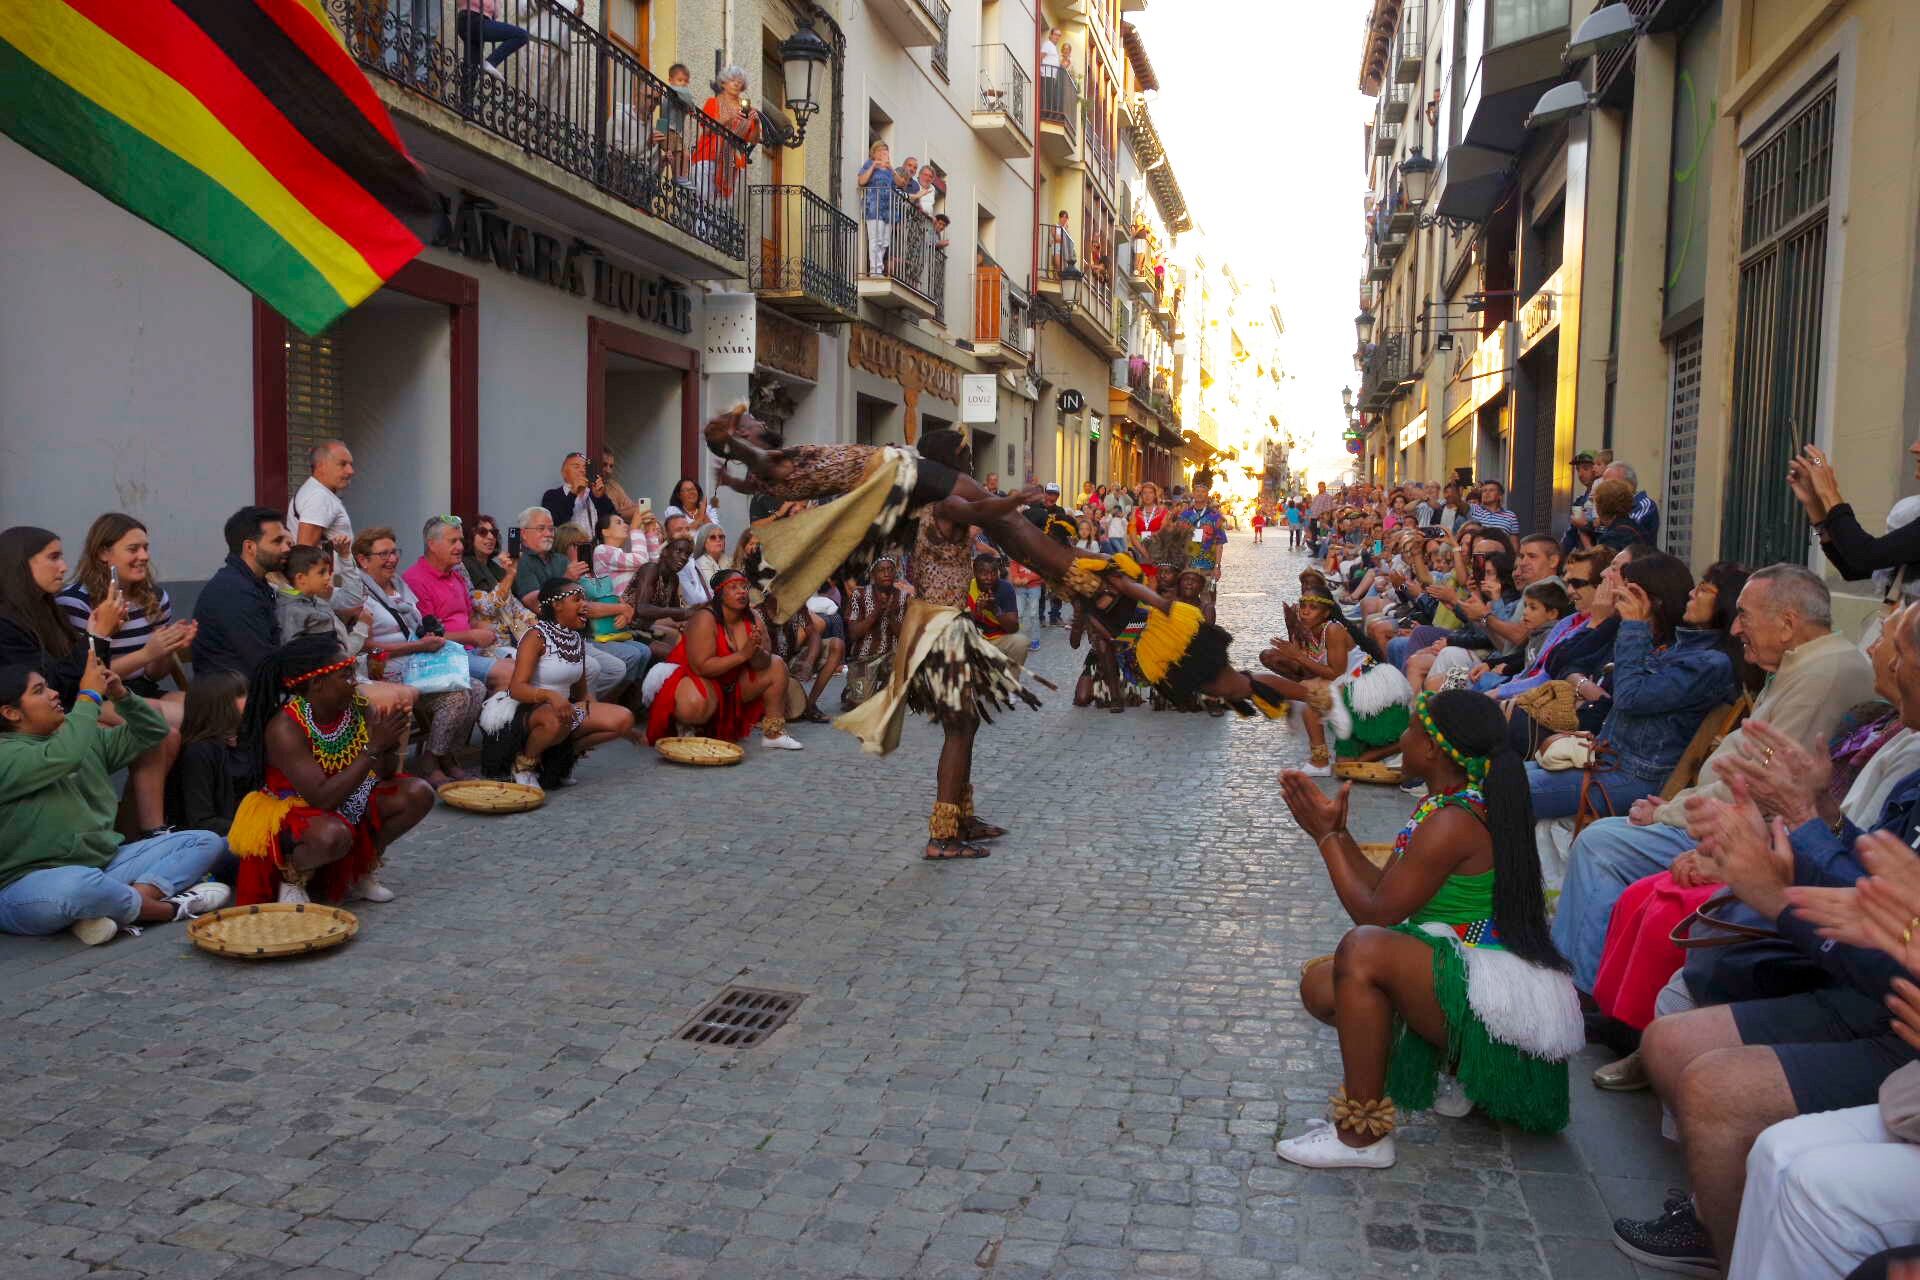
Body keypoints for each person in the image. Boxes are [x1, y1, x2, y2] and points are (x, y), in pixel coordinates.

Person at [1274, 690, 1581, 1168]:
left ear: (1434, 748)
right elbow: (1387, 895)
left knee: (1363, 951)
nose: (1402, 736)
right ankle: (1457, 1070)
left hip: (1497, 1002)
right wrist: (1337, 833)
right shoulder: (1445, 806)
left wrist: (1327, 837)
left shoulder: (1454, 819)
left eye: (1412, 729)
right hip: (1473, 972)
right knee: (1322, 985)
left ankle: (1361, 1136)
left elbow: (1375, 918)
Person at [1550, 565, 1878, 996]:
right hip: (1690, 797)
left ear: (1787, 623)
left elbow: (1761, 782)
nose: (1737, 627)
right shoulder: (1802, 665)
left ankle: (1578, 989)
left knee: (1601, 842)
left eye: (1745, 615)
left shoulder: (1822, 672)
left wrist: (1667, 811)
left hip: (1735, 824)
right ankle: (1581, 979)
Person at [0, 652, 229, 944]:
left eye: (48, 685)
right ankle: (167, 909)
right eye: (39, 691)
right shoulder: (5, 754)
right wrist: (88, 697)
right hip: (28, 887)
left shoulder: (79, 735)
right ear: (11, 713)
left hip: (103, 866)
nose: (54, 693)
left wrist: (122, 695)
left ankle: (119, 907)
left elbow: (153, 732)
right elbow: (64, 757)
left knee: (204, 841)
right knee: (78, 887)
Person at [1523, 553, 1736, 821]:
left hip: (1633, 778)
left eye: (1704, 589)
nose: (1693, 593)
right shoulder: (1679, 647)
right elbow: (1562, 661)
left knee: (1510, 791)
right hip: (1607, 762)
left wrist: (1635, 626)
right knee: (1504, 776)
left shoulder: (1710, 664)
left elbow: (1629, 698)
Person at [226, 636, 433, 906]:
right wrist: (372, 748)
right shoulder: (285, 728)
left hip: (343, 794)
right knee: (332, 834)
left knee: (418, 793)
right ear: (317, 684)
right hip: (291, 808)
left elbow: (384, 774)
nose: (355, 680)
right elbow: (321, 799)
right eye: (346, 674)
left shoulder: (358, 707)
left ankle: (359, 868)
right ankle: (293, 877)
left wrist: (388, 743)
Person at [0, 525, 180, 836]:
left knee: (164, 734)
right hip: (32, 727)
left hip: (73, 705)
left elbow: (86, 671)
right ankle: (124, 835)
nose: (64, 566)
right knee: (155, 728)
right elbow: (48, 683)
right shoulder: (7, 622)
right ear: (22, 564)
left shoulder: (45, 608)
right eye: (53, 557)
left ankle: (144, 831)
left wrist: (101, 636)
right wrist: (98, 635)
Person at [350, 528, 480, 788]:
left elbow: (414, 625)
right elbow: (363, 645)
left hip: (417, 663)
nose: (392, 559)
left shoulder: (398, 584)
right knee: (456, 697)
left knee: (477, 688)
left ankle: (444, 755)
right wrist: (417, 646)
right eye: (383, 554)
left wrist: (428, 633)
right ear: (364, 560)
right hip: (384, 670)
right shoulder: (358, 593)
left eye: (394, 552)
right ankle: (430, 761)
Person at [479, 580, 635, 790]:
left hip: (563, 709)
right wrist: (550, 696)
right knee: (557, 718)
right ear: (557, 605)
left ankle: (564, 752)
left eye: (585, 599)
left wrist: (597, 716)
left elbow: (581, 693)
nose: (585, 605)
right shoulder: (535, 636)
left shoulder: (575, 639)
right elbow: (517, 689)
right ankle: (525, 764)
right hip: (528, 709)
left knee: (623, 719)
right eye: (577, 599)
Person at [55, 513, 196, 720]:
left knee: (210, 711)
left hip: (140, 689)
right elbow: (82, 676)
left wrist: (169, 646)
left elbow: (152, 675)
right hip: (96, 697)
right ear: (104, 553)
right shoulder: (75, 602)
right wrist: (146, 654)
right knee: (177, 719)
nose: (144, 556)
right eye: (133, 549)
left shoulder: (156, 597)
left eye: (145, 548)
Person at [644, 569, 801, 751]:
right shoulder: (704, 618)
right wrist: (742, 655)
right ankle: (688, 725)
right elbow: (702, 668)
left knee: (776, 664)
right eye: (733, 587)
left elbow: (764, 664)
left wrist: (755, 651)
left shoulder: (753, 618)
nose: (742, 591)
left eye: (744, 586)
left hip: (733, 684)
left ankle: (774, 734)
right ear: (719, 594)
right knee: (694, 703)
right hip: (699, 681)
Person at [514, 506, 640, 700]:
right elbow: (538, 605)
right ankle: (582, 711)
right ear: (524, 533)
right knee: (605, 666)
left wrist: (621, 607)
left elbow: (585, 599)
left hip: (576, 632)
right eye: (541, 528)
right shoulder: (524, 563)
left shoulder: (559, 559)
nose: (548, 533)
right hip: (549, 637)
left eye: (550, 528)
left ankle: (588, 710)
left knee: (618, 667)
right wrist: (568, 578)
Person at [403, 516, 511, 691]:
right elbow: (425, 638)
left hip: (470, 650)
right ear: (431, 544)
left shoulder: (456, 575)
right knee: (509, 673)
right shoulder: (416, 580)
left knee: (524, 666)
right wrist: (472, 636)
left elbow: (468, 619)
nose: (460, 547)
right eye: (452, 541)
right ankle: (494, 718)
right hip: (442, 657)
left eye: (460, 540)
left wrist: (483, 627)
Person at [193, 506, 291, 679]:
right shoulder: (233, 592)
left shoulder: (255, 584)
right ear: (250, 547)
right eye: (277, 541)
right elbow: (264, 664)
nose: (286, 548)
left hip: (257, 689)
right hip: (233, 700)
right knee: (320, 704)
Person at [165, 669, 255, 840]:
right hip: (217, 838)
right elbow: (200, 820)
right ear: (220, 704)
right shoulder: (198, 752)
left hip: (251, 825)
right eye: (242, 694)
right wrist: (257, 828)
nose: (252, 698)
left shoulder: (248, 739)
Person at [689, 65, 760, 205]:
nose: (736, 83)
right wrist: (729, 117)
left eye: (740, 81)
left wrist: (756, 123)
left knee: (721, 209)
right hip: (707, 158)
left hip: (731, 164)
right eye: (732, 79)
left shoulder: (748, 110)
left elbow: (753, 140)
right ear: (723, 83)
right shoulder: (713, 103)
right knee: (702, 203)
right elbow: (708, 129)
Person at [289, 440, 357, 570]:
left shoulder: (316, 492)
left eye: (350, 464)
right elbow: (304, 554)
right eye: (342, 464)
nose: (351, 471)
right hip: (330, 586)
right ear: (321, 466)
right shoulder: (319, 496)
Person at [964, 554, 1028, 669]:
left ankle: (1009, 683)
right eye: (983, 573)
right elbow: (963, 624)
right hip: (974, 639)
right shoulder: (966, 587)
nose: (989, 577)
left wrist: (994, 609)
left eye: (993, 573)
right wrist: (977, 610)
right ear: (974, 572)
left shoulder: (1005, 588)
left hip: (997, 638)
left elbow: (1013, 628)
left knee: (1021, 642)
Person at [454, 0, 531, 85]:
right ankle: (491, 62)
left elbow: (496, 13)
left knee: (471, 73)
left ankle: (465, 97)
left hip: (478, 23)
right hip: (472, 20)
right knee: (521, 35)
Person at [541, 451, 609, 537]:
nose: (582, 470)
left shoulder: (595, 495)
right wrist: (573, 493)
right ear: (564, 473)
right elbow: (555, 524)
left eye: (585, 467)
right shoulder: (552, 496)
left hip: (594, 548)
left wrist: (601, 498)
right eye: (576, 466)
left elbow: (611, 523)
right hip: (566, 549)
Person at [590, 509, 650, 599]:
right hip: (620, 609)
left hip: (633, 606)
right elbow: (641, 560)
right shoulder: (601, 551)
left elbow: (652, 564)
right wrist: (635, 529)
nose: (626, 525)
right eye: (619, 523)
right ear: (605, 532)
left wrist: (651, 531)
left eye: (624, 522)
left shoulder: (621, 554)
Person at [1602, 461, 1660, 544]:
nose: (1604, 489)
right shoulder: (1614, 506)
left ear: (1628, 484)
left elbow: (1628, 530)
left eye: (1610, 484)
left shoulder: (1644, 504)